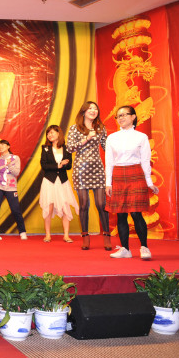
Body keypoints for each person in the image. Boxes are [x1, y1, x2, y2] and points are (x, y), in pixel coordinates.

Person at [105, 106, 159, 260]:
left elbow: (145, 160)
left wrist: (149, 182)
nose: (121, 118)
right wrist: (108, 183)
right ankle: (125, 249)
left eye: (124, 115)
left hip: (136, 173)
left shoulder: (141, 137)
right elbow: (109, 162)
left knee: (136, 213)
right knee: (121, 214)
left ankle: (144, 247)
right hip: (118, 175)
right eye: (118, 116)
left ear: (133, 117)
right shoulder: (112, 138)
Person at [66, 101, 112, 251]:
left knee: (101, 204)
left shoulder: (101, 128)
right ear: (84, 111)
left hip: (97, 169)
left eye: (95, 109)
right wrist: (86, 138)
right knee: (84, 204)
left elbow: (107, 147)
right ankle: (85, 237)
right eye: (90, 108)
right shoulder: (74, 128)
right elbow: (70, 148)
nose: (93, 111)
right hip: (81, 169)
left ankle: (107, 236)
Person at [39, 125, 79, 243]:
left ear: (58, 133)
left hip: (62, 181)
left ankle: (66, 235)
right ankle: (48, 235)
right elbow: (44, 165)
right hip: (49, 181)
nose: (49, 135)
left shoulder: (66, 148)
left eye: (52, 132)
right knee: (49, 207)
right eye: (48, 133)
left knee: (65, 206)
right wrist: (58, 165)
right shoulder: (45, 148)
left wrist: (64, 165)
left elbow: (69, 165)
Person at [0, 139, 27, 240]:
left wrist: (8, 164)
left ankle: (22, 231)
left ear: (8, 146)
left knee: (15, 210)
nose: (0, 147)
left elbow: (16, 173)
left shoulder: (15, 158)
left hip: (11, 187)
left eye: (2, 145)